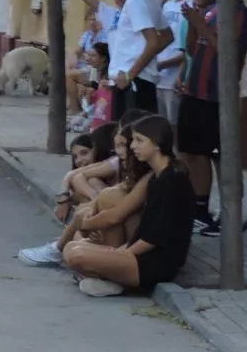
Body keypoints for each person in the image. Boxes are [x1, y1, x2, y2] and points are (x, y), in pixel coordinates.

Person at [63, 115, 195, 297]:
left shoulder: (171, 180)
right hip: (135, 252)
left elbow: (153, 239)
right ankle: (112, 280)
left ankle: (118, 281)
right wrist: (116, 252)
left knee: (77, 255)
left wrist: (119, 254)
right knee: (71, 248)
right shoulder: (156, 176)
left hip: (154, 263)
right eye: (133, 141)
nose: (133, 146)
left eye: (139, 141)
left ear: (157, 144)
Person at [177, 0, 247, 237]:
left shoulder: (239, 13)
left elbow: (227, 51)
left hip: (216, 95)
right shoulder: (210, 10)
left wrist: (199, 23)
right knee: (190, 151)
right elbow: (191, 48)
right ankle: (199, 208)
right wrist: (193, 23)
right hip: (194, 90)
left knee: (217, 156)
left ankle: (228, 215)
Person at [21, 118, 154, 269]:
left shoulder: (150, 177)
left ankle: (108, 268)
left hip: (137, 250)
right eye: (118, 145)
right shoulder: (129, 168)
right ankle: (63, 250)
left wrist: (85, 223)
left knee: (77, 247)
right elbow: (77, 176)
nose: (121, 150)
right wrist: (91, 210)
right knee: (74, 244)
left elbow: (116, 216)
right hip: (124, 240)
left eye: (126, 144)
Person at [84, 0, 172, 115]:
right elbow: (167, 37)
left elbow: (153, 41)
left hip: (133, 82)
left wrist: (131, 74)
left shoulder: (135, 0)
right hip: (137, 79)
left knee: (128, 136)